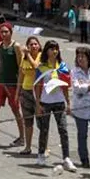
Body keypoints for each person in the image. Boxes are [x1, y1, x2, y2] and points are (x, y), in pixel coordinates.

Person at [33, 40, 76, 171]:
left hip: (59, 102)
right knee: (44, 130)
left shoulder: (62, 66)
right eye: (51, 49)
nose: (54, 51)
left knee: (63, 130)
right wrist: (38, 104)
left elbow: (65, 87)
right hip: (45, 103)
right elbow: (38, 87)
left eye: (56, 49)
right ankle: (41, 154)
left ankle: (66, 158)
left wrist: (68, 103)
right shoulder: (41, 67)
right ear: (46, 51)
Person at [16, 36, 41, 156]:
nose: (33, 46)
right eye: (31, 44)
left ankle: (43, 147)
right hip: (25, 92)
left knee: (41, 122)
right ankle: (28, 147)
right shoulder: (24, 59)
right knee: (28, 121)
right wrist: (17, 94)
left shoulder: (41, 56)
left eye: (35, 44)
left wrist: (28, 54)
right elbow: (21, 76)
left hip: (38, 93)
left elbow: (36, 67)